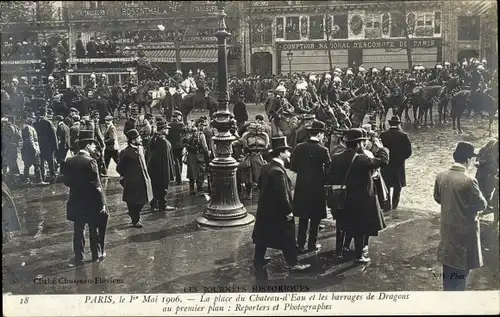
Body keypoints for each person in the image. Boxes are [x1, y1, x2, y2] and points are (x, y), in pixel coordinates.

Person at [252, 136, 311, 279]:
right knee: (288, 237)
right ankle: (293, 264)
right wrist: (288, 211)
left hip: (265, 211)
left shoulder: (267, 167)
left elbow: (260, 185)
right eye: (287, 151)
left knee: (262, 237)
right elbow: (283, 195)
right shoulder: (278, 171)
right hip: (278, 212)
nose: (290, 154)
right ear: (280, 153)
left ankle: (258, 259)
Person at [327, 128, 389, 263]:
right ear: (359, 143)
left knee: (342, 224)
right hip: (361, 200)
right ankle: (359, 256)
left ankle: (339, 252)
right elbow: (384, 162)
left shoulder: (337, 157)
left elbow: (330, 177)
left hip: (342, 198)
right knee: (360, 227)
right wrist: (381, 148)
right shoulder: (362, 159)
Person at [434, 141, 487, 291]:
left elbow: (438, 198)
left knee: (448, 270)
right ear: (468, 159)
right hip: (464, 233)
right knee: (461, 274)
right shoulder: (469, 181)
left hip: (446, 229)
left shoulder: (441, 176)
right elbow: (481, 205)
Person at [62, 130, 108, 265]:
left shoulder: (69, 161)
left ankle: (79, 257)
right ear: (88, 145)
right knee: (94, 229)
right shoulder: (91, 162)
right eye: (93, 145)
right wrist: (103, 203)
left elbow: (66, 182)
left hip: (76, 201)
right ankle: (96, 255)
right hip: (91, 203)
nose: (94, 147)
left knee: (78, 231)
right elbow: (96, 186)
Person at [290, 120, 331, 253]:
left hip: (302, 187)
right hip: (317, 189)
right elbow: (328, 171)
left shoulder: (299, 147)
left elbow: (293, 167)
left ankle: (300, 244)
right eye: (322, 134)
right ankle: (312, 245)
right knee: (315, 218)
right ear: (319, 134)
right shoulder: (323, 150)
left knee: (303, 217)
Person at [117, 129, 153, 228]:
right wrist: (129, 175)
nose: (140, 139)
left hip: (143, 179)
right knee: (133, 201)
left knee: (144, 200)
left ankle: (133, 213)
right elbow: (119, 168)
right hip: (132, 181)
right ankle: (135, 220)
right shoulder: (125, 152)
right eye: (138, 138)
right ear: (133, 140)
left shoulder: (141, 148)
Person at [379, 115, 412, 210]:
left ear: (389, 124)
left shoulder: (383, 135)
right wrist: (401, 158)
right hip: (399, 166)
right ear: (399, 124)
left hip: (386, 165)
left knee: (386, 187)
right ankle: (394, 207)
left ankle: (387, 207)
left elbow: (379, 150)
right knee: (398, 188)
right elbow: (409, 152)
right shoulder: (404, 135)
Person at [147, 118, 177, 212]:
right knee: (162, 187)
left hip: (153, 168)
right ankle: (162, 205)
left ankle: (154, 204)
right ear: (162, 130)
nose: (168, 130)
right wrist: (168, 174)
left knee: (155, 187)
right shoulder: (163, 142)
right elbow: (166, 159)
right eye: (166, 128)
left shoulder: (153, 139)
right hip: (162, 169)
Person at [34, 107, 58, 183]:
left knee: (41, 162)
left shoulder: (35, 122)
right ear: (45, 113)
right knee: (51, 162)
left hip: (40, 145)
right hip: (48, 146)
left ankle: (42, 178)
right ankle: (52, 178)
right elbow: (53, 135)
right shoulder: (48, 122)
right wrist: (55, 146)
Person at [21, 114, 46, 185]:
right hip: (32, 149)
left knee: (27, 165)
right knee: (37, 165)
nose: (33, 120)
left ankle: (26, 180)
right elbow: (30, 139)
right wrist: (35, 149)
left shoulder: (25, 127)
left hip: (28, 149)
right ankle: (39, 180)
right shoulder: (28, 128)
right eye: (32, 119)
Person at [168, 110, 185, 185]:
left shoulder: (169, 124)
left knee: (175, 161)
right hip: (180, 146)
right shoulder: (181, 124)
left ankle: (177, 177)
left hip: (172, 146)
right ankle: (179, 177)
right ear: (178, 116)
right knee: (180, 161)